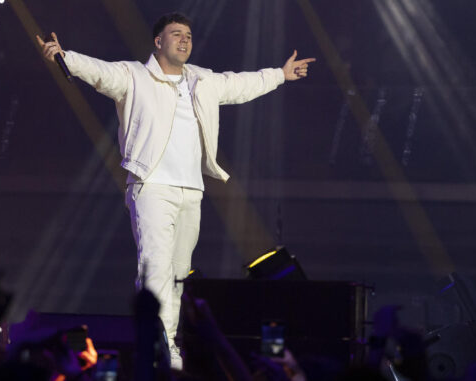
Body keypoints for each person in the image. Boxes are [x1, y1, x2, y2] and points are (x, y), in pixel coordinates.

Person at [37, 12, 315, 370]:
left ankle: (168, 343)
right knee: (155, 268)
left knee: (179, 274)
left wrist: (280, 74)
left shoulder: (202, 80)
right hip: (152, 186)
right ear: (158, 41)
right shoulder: (134, 76)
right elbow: (99, 72)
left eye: (188, 35)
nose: (184, 40)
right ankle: (158, 346)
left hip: (190, 189)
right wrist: (65, 57)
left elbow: (239, 85)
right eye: (176, 34)